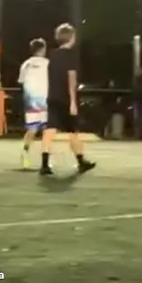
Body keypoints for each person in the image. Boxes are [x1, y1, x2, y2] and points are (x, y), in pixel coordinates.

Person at [39, 24, 95, 176]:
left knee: (50, 129)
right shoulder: (71, 55)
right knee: (72, 131)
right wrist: (73, 102)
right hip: (65, 97)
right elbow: (71, 78)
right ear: (71, 37)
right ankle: (81, 161)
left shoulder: (53, 54)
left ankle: (44, 164)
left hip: (52, 95)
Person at [18, 39, 49, 168]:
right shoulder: (47, 63)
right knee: (47, 130)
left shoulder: (26, 64)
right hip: (45, 100)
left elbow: (21, 81)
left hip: (31, 101)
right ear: (42, 49)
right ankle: (45, 160)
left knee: (33, 129)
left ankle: (25, 153)